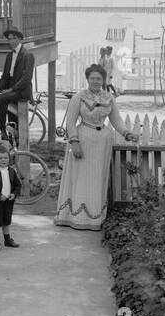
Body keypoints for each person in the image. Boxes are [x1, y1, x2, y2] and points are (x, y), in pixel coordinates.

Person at [56, 64, 136, 231]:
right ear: (87, 79)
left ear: (103, 80)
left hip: (103, 142)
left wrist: (126, 133)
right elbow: (70, 121)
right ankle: (76, 217)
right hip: (83, 139)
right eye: (92, 78)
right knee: (81, 177)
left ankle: (94, 219)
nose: (95, 81)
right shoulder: (79, 97)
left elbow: (116, 120)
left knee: (98, 177)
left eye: (98, 78)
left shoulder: (109, 98)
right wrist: (74, 141)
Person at [0, 27, 35, 141]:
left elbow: (27, 79)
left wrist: (11, 89)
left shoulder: (28, 55)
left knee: (2, 99)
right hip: (11, 90)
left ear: (20, 39)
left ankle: (1, 129)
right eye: (9, 39)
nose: (11, 41)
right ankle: (13, 139)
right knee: (12, 118)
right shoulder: (9, 56)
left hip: (22, 91)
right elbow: (5, 76)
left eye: (14, 38)